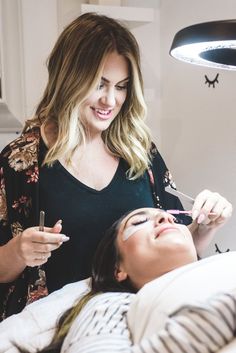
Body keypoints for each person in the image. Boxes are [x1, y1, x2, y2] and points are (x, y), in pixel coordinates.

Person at [0, 12, 232, 321]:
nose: (111, 100)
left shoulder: (139, 151)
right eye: (100, 84)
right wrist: (19, 252)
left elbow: (175, 249)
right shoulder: (22, 161)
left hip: (140, 320)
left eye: (121, 86)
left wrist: (205, 226)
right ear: (70, 79)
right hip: (57, 330)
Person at [1, 208, 236, 353]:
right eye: (138, 222)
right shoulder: (106, 307)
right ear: (118, 269)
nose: (166, 216)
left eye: (172, 218)